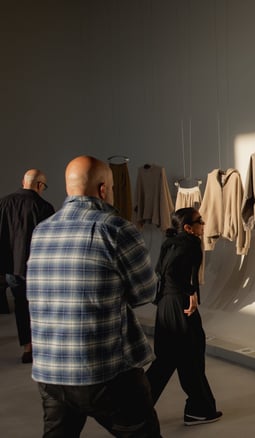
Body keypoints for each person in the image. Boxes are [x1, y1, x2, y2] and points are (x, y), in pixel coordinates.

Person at [26, 156, 161, 437]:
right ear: (103, 189)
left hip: (51, 371)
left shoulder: (41, 230)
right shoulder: (117, 228)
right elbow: (145, 293)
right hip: (104, 370)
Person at [146, 207, 222, 426]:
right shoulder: (191, 244)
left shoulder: (170, 242)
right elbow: (172, 272)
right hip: (180, 306)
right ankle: (199, 409)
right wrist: (189, 293)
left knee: (167, 360)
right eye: (200, 221)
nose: (204, 224)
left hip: (166, 305)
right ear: (188, 228)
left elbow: (162, 272)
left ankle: (135, 411)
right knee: (192, 355)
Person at [0, 169, 55, 363]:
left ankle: (28, 348)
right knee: (41, 307)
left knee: (21, 306)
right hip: (37, 268)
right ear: (39, 185)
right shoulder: (44, 207)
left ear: (23, 181)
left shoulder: (4, 203)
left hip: (11, 268)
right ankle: (43, 346)